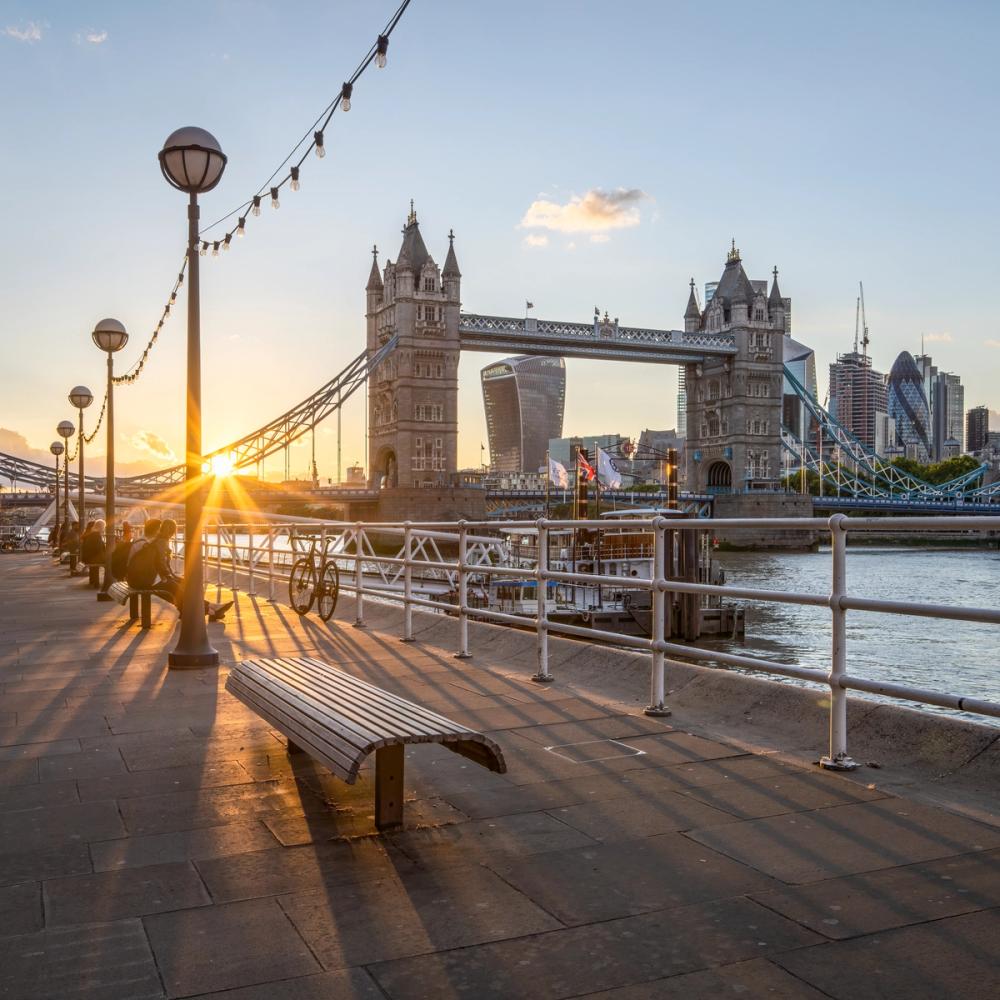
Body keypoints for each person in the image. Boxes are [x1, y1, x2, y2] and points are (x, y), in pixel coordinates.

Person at [127, 517, 233, 621]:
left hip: (141, 579)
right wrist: (169, 576)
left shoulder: (148, 541)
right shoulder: (154, 543)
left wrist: (170, 576)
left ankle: (209, 607)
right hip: (146, 580)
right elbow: (160, 564)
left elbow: (156, 565)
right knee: (177, 589)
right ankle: (210, 610)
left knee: (181, 585)